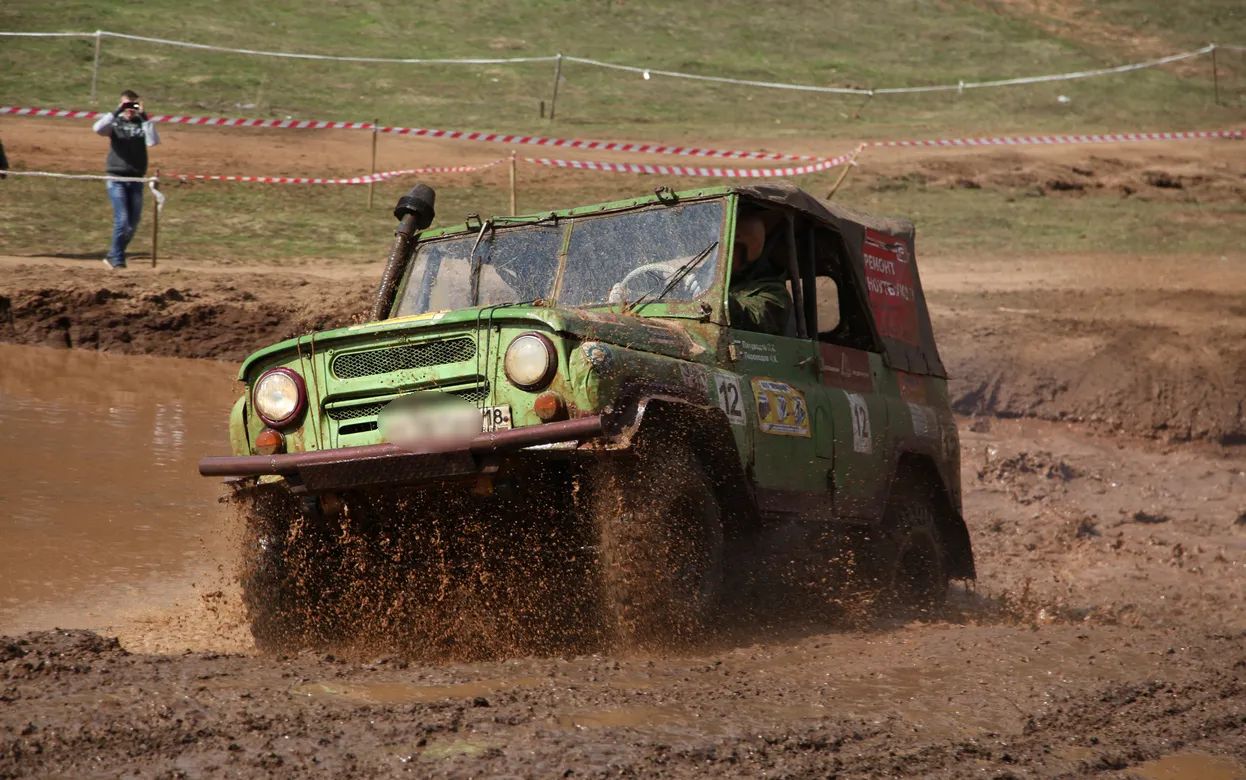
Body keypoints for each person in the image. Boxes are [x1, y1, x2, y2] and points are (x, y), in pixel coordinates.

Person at [92, 90, 160, 269]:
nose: (130, 109)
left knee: (132, 225)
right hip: (116, 178)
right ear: (121, 104)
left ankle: (113, 255)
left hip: (136, 179)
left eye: (133, 105)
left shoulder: (142, 123)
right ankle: (118, 259)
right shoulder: (114, 122)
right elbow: (98, 129)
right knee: (122, 221)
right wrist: (116, 112)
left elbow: (153, 141)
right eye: (127, 105)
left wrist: (144, 116)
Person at [728, 213, 793, 336]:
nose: (721, 254)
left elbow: (756, 316)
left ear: (749, 250)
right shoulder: (713, 281)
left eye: (731, 247)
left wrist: (716, 302)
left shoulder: (774, 292)